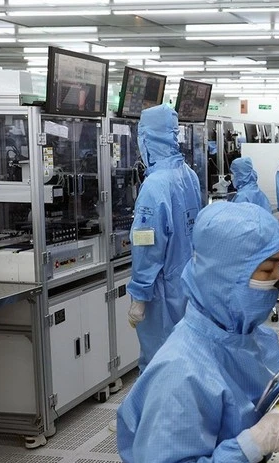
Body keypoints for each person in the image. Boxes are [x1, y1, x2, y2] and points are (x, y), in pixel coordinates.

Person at [118, 203, 279, 463]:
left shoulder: (254, 338)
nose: (278, 282)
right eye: (268, 269)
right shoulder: (181, 373)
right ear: (228, 273)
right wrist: (252, 444)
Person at [126, 104, 202, 373]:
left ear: (147, 139)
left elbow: (148, 245)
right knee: (186, 359)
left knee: (159, 366)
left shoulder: (155, 184)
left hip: (161, 292)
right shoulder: (189, 175)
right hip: (187, 285)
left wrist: (139, 295)